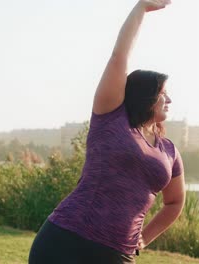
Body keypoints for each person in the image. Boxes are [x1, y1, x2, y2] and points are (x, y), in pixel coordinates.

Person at [28, 0, 185, 263]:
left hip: (117, 252)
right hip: (66, 238)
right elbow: (119, 57)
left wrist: (145, 237)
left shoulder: (169, 151)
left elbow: (175, 203)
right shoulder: (111, 117)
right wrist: (141, 8)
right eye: (162, 94)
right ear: (144, 95)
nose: (168, 100)